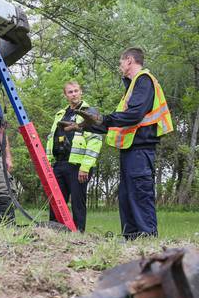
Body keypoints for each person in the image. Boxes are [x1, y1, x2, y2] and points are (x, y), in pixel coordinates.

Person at [65, 48, 172, 239]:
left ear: (129, 60)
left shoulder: (144, 80)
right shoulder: (132, 87)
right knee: (126, 196)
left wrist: (103, 118)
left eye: (121, 62)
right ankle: (131, 237)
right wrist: (82, 126)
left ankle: (146, 239)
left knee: (139, 194)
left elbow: (134, 115)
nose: (120, 66)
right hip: (130, 150)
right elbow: (115, 123)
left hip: (140, 149)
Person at [45, 81, 103, 232]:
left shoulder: (90, 112)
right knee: (56, 202)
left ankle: (78, 235)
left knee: (78, 202)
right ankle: (54, 233)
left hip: (78, 167)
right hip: (58, 164)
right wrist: (49, 164)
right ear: (65, 95)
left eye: (76, 91)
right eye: (70, 92)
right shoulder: (60, 115)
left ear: (81, 92)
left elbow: (95, 141)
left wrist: (85, 167)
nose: (74, 94)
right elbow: (52, 138)